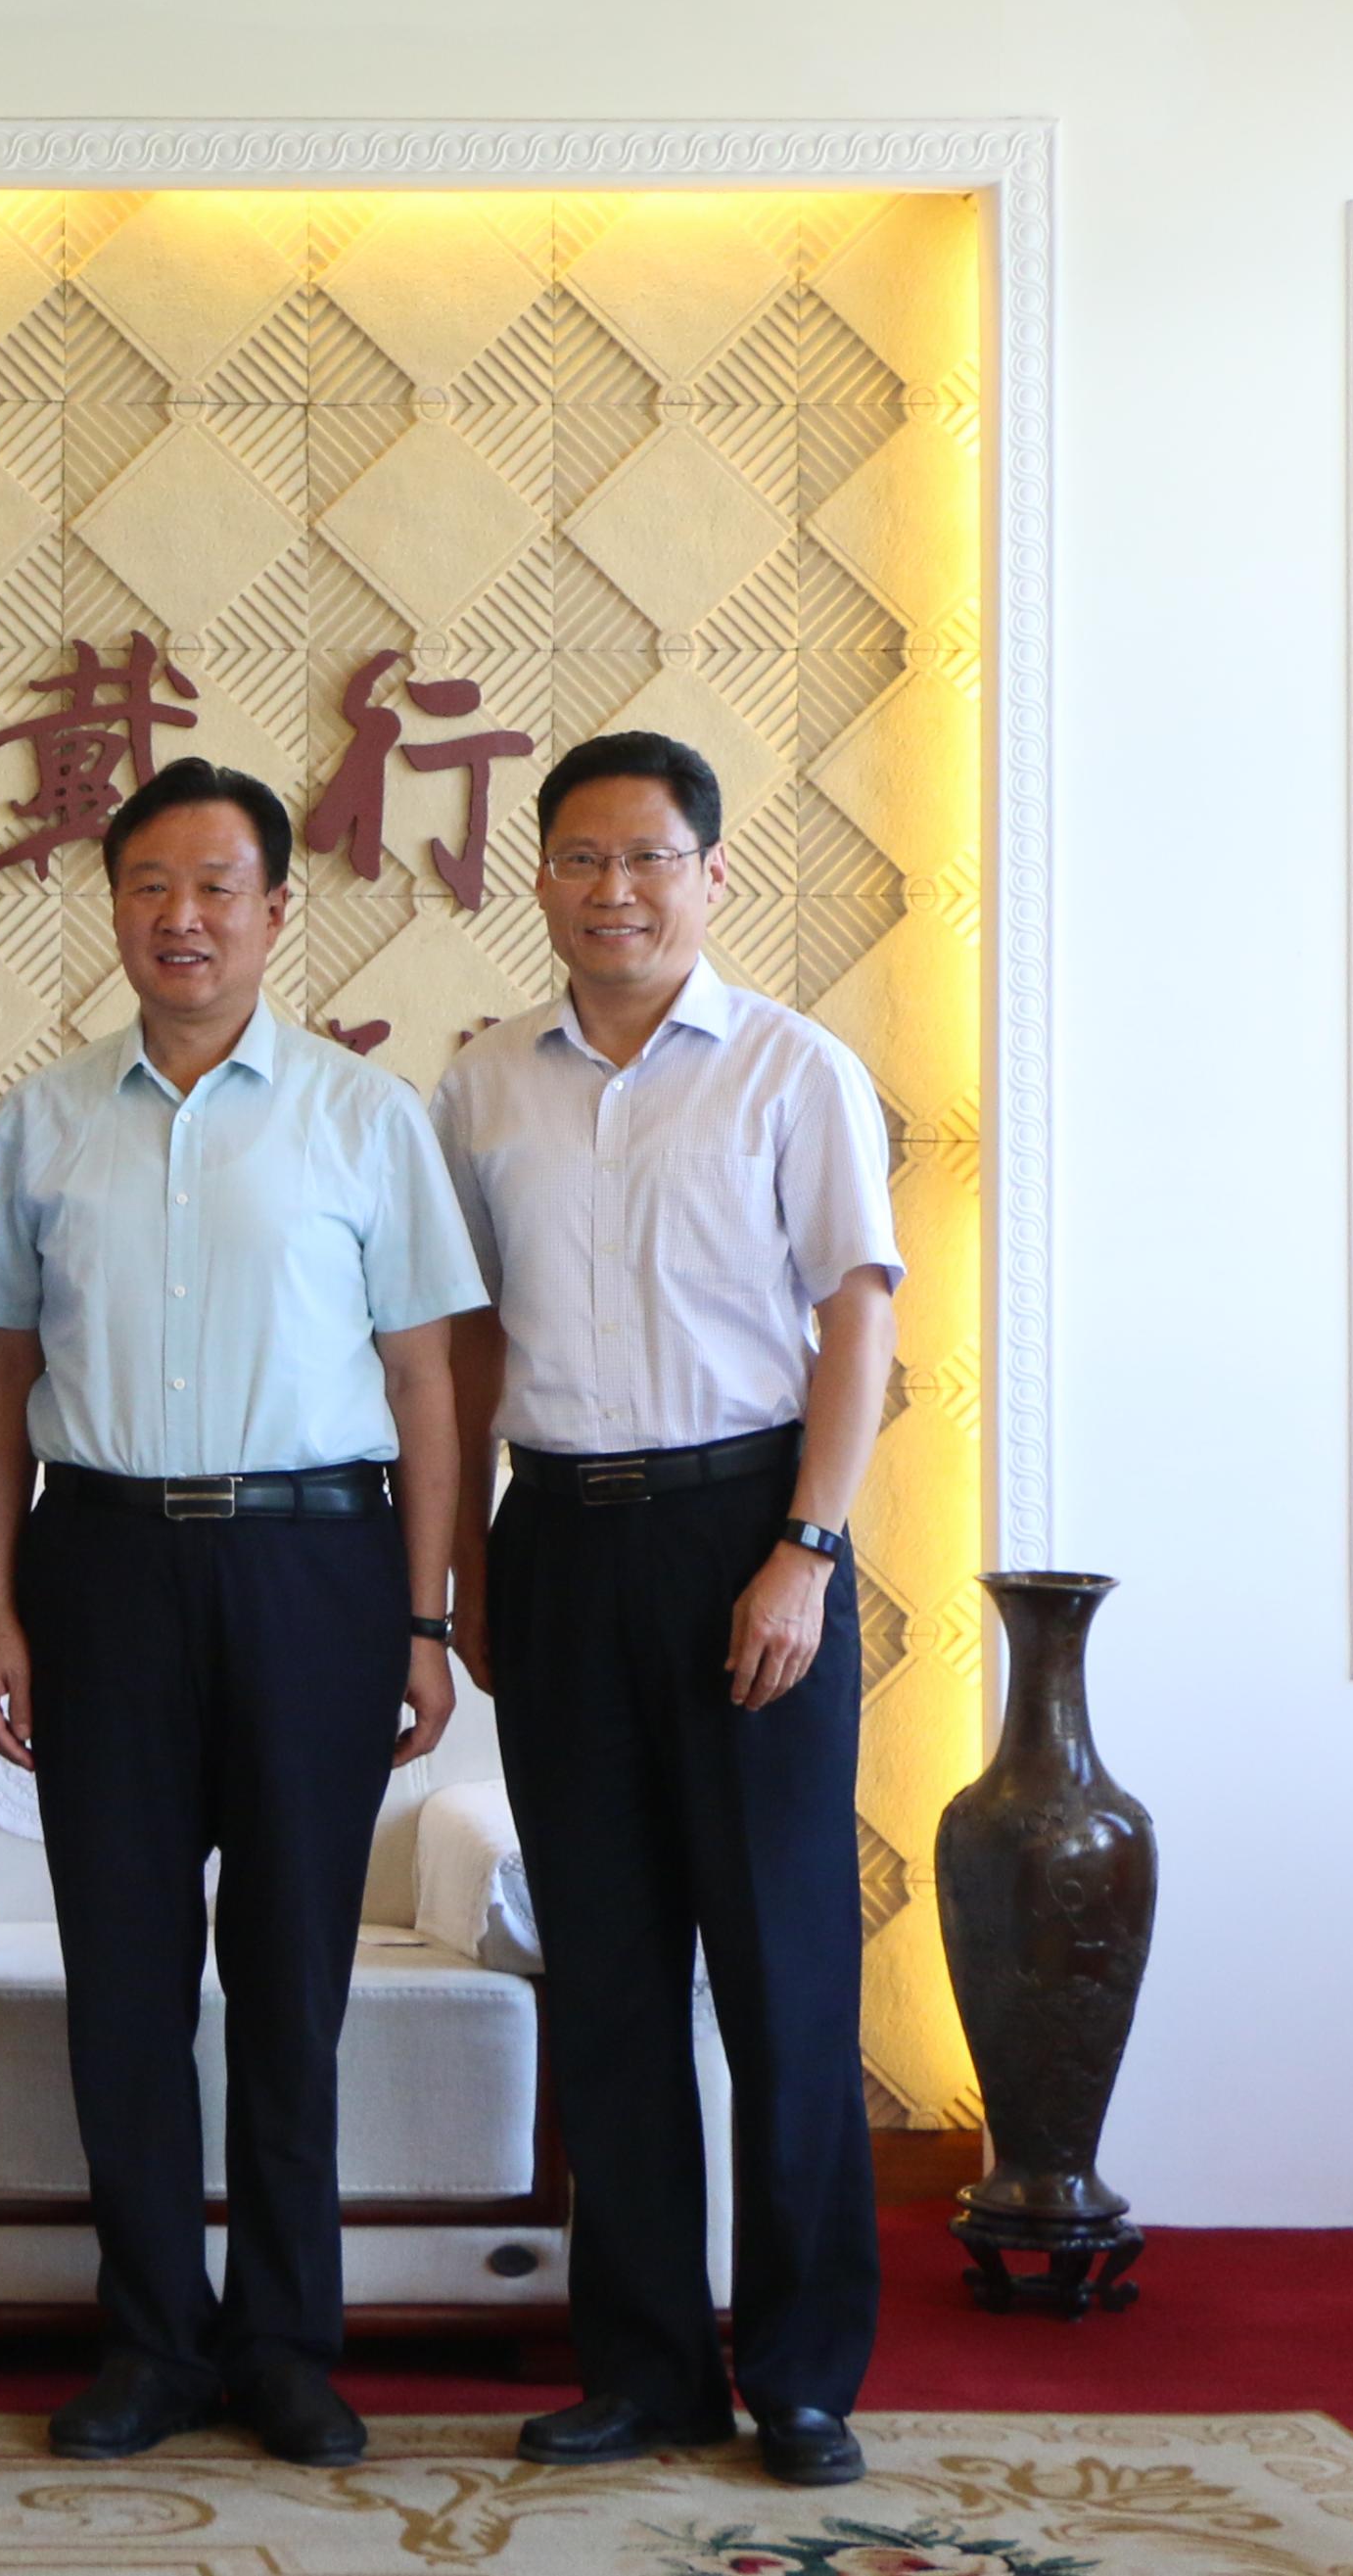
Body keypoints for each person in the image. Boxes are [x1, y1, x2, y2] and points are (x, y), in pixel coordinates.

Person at [0, 757, 481, 2465]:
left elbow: (425, 1383)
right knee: (122, 1972)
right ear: (110, 905)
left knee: (286, 1970)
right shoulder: (40, 1122)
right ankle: (148, 2342)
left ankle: (284, 2342)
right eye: (146, 887)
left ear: (271, 908)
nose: (179, 918)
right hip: (101, 1567)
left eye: (213, 887)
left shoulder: (360, 1116)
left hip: (311, 1572)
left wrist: (422, 1622)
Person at [432, 728, 903, 2490]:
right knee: (609, 1979)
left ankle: (799, 2373)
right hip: (557, 1534)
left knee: (781, 1975)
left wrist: (806, 1547)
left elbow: (855, 1315)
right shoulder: (482, 1084)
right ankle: (641, 2366)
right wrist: (464, 1565)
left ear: (711, 875)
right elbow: (464, 1345)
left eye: (646, 857)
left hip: (743, 1531)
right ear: (538, 877)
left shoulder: (791, 1068)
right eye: (579, 857)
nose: (612, 889)